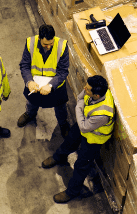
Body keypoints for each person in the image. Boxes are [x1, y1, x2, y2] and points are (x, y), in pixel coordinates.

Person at [43, 75, 115, 204]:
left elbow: (84, 126)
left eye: (87, 89)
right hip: (85, 121)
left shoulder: (103, 113)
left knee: (81, 165)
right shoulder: (97, 91)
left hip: (93, 139)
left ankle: (72, 191)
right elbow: (82, 97)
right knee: (70, 140)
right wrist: (81, 106)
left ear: (96, 96)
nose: (84, 89)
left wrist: (78, 107)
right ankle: (59, 157)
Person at [17, 25, 71, 136]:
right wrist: (29, 82)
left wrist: (50, 85)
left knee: (60, 107)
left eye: (51, 43)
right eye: (45, 44)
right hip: (35, 84)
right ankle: (30, 114)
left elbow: (63, 71)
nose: (49, 47)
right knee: (32, 102)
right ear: (39, 39)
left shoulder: (62, 46)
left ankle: (63, 123)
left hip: (56, 86)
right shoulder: (30, 43)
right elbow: (25, 65)